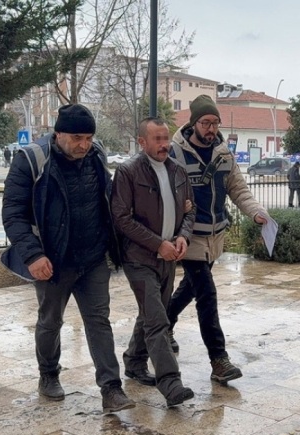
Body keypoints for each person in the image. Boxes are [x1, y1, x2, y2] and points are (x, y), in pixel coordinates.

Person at [1, 104, 135, 414]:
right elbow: (13, 213)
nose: (83, 145)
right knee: (51, 322)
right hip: (53, 262)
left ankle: (111, 388)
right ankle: (48, 374)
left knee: (99, 321)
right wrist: (33, 255)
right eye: (77, 138)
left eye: (88, 138)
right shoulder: (31, 160)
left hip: (92, 257)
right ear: (58, 133)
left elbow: (108, 199)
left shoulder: (96, 156)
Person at [167, 95, 268, 384]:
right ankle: (219, 360)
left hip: (215, 237)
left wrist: (256, 213)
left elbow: (239, 190)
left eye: (215, 123)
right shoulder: (175, 154)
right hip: (189, 237)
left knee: (189, 288)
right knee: (207, 295)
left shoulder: (224, 155)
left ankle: (163, 324)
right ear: (194, 123)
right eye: (205, 122)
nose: (211, 129)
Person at [111, 117, 197, 407]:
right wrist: (157, 243)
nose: (164, 145)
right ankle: (170, 382)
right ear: (142, 142)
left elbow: (190, 211)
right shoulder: (128, 172)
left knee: (150, 313)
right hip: (139, 258)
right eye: (157, 139)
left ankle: (135, 361)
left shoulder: (177, 170)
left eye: (166, 138)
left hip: (169, 257)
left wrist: (183, 236)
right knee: (158, 319)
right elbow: (121, 218)